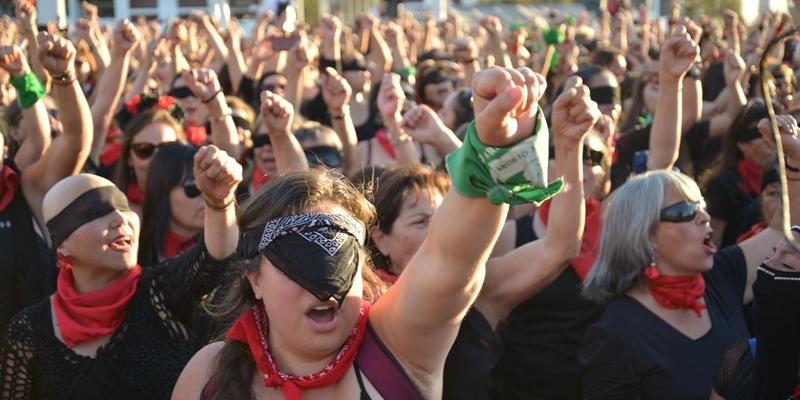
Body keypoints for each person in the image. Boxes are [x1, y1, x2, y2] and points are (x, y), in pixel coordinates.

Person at [171, 65, 562, 399]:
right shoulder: (209, 375)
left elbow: (449, 260)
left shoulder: (398, 347)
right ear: (254, 278)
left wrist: (493, 146)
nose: (325, 287)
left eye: (338, 257)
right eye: (298, 259)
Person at [578, 114, 800, 400]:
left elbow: (785, 233)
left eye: (701, 206)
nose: (705, 217)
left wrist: (795, 161)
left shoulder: (721, 276)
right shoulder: (615, 335)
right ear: (643, 235)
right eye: (685, 212)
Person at [0, 145, 242, 400]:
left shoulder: (162, 293)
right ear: (62, 245)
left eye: (123, 206)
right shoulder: (29, 333)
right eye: (95, 212)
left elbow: (215, 259)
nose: (119, 218)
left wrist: (220, 203)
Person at [0, 33, 92, 335]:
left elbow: (74, 140)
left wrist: (62, 76)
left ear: (5, 145)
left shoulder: (23, 190)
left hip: (41, 364)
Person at [138, 142, 202, 265]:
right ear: (163, 191)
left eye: (211, 184)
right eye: (193, 186)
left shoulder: (233, 248)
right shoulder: (134, 254)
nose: (206, 194)